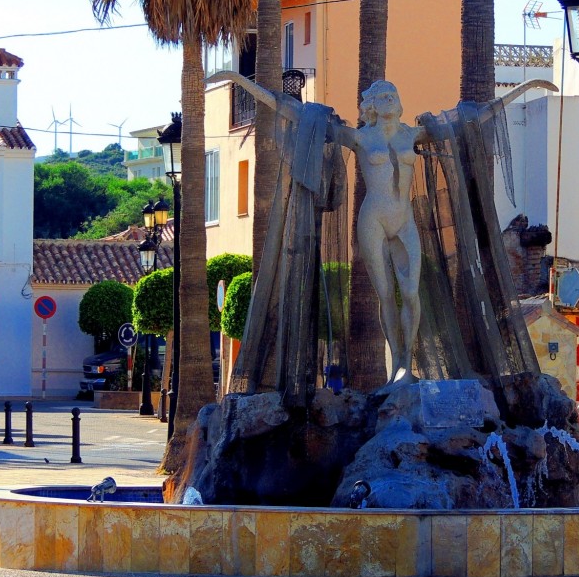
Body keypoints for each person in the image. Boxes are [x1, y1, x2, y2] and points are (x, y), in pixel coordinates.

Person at [208, 71, 555, 387]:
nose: (390, 99)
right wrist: (244, 83)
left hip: (403, 219)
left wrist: (523, 89)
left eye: (394, 94)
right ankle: (396, 370)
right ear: (372, 105)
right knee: (386, 293)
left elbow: (468, 121)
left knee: (412, 292)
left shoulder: (415, 134)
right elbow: (297, 115)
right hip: (373, 218)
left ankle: (406, 362)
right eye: (383, 95)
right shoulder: (360, 137)